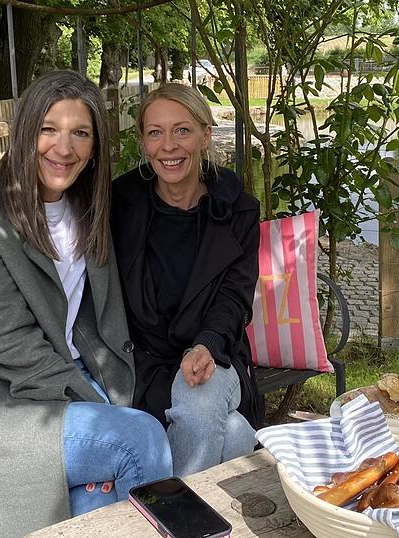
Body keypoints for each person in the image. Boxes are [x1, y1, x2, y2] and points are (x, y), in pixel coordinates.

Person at [0, 70, 172, 538]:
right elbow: (10, 344)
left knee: (96, 497)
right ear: (24, 132)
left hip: (69, 379)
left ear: (95, 147)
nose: (64, 147)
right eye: (48, 129)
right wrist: (101, 408)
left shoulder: (85, 207)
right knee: (140, 440)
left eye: (81, 133)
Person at [111, 83, 263, 478]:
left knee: (198, 401)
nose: (168, 146)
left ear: (205, 135)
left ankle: (171, 510)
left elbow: (235, 296)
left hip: (215, 353)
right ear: (143, 142)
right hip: (145, 363)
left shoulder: (238, 209)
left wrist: (206, 344)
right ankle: (220, 476)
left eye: (182, 130)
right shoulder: (119, 204)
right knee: (233, 432)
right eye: (155, 132)